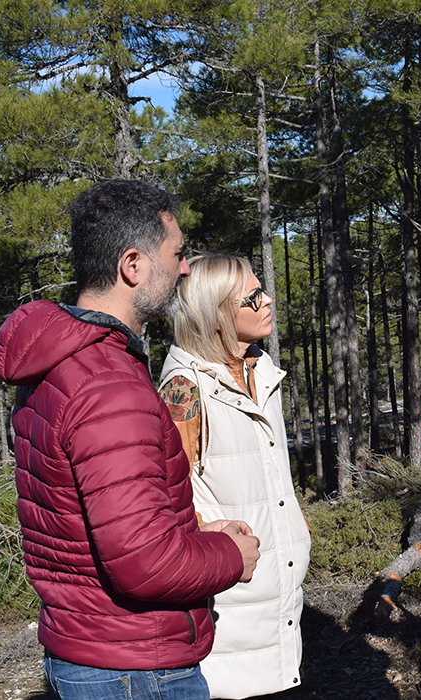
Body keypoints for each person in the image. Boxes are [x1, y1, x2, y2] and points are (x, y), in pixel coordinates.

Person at [0, 180, 261, 700]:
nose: (185, 268)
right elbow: (143, 561)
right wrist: (230, 554)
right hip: (136, 669)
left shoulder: (63, 364)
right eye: (176, 254)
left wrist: (194, 531)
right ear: (132, 266)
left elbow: (99, 523)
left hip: (95, 651)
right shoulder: (108, 384)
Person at [157, 254, 311, 698]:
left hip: (275, 591)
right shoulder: (185, 388)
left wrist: (293, 528)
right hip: (228, 599)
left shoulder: (260, 370)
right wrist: (216, 541)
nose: (268, 302)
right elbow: (170, 496)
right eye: (253, 296)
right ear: (218, 312)